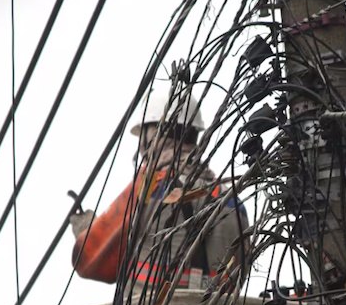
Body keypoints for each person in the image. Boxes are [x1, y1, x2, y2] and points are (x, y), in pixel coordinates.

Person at [69, 87, 249, 292]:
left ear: (152, 136)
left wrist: (84, 227)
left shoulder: (149, 188)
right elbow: (235, 276)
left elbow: (92, 257)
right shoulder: (229, 199)